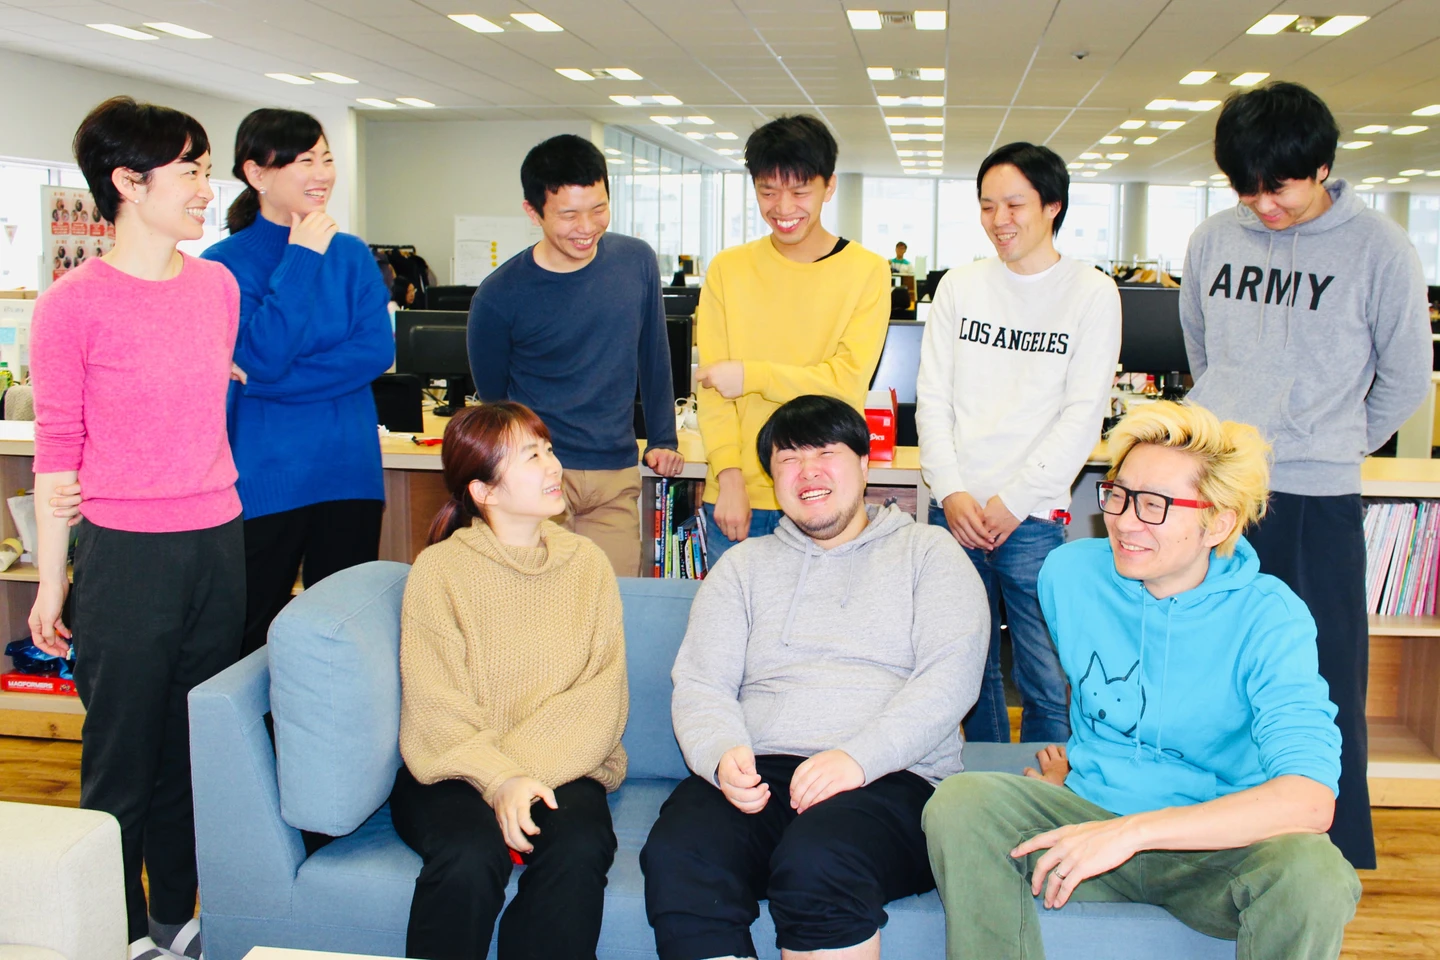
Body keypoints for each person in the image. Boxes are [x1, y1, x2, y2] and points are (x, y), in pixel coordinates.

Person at [924, 400, 1362, 960]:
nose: (1125, 521)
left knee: (1316, 875)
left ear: (1218, 522)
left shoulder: (1270, 617)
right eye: (1119, 495)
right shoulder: (1069, 575)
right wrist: (1076, 781)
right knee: (960, 803)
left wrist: (1133, 832)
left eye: (1155, 505)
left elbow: (1310, 800)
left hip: (1212, 846)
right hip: (1087, 817)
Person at [1180, 81, 1432, 869]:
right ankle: (1209, 832)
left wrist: (1335, 440)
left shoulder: (1379, 248)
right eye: (1245, 189)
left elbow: (1406, 374)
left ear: (1323, 167)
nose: (1262, 205)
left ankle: (1334, 845)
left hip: (1315, 493)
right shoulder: (1213, 239)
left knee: (1323, 673)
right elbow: (1201, 348)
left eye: (1279, 188)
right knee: (1208, 666)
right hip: (1217, 490)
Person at [641, 394, 988, 960]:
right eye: (788, 459)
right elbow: (703, 683)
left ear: (865, 464)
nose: (808, 472)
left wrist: (857, 758)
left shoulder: (929, 553)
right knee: (681, 855)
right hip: (763, 773)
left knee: (819, 863)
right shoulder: (742, 568)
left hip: (893, 777)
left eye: (825, 453)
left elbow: (950, 679)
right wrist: (722, 754)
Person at [28, 96, 244, 960]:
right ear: (127, 181)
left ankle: (173, 919)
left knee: (192, 752)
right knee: (121, 760)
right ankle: (114, 932)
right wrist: (52, 584)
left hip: (217, 542)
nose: (206, 189)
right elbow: (57, 457)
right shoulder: (71, 305)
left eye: (206, 170)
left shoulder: (218, 287)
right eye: (190, 170)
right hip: (124, 556)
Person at [391, 401, 628, 960]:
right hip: (454, 769)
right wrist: (496, 779)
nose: (553, 466)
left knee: (581, 848)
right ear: (485, 491)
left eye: (548, 450)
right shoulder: (439, 571)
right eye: (531, 456)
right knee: (469, 857)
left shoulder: (588, 564)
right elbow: (433, 706)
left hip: (565, 764)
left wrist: (518, 777)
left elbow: (602, 695)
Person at [916, 142, 1120, 744]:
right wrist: (951, 491)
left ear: (1052, 206)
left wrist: (1013, 501)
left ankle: (1038, 790)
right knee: (964, 672)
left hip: (1032, 517)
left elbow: (1082, 417)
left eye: (1014, 204)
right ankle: (983, 785)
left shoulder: (1090, 292)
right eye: (987, 205)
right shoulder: (960, 286)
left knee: (1044, 676)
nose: (998, 219)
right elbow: (933, 399)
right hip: (955, 511)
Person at [203, 108, 395, 657]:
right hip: (266, 476)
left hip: (349, 471)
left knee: (345, 637)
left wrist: (264, 385)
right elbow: (263, 354)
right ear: (257, 174)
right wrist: (302, 256)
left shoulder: (353, 255)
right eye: (304, 161)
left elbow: (374, 353)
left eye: (326, 159)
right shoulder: (222, 265)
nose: (322, 174)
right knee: (250, 633)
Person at [468, 133, 683, 578]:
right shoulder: (499, 295)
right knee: (539, 603)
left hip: (614, 471)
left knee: (616, 600)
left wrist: (663, 438)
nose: (587, 227)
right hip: (538, 476)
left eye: (598, 209)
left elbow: (654, 355)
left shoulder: (636, 261)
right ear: (534, 212)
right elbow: (494, 400)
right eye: (568, 214)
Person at [694, 115, 891, 564]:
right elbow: (712, 390)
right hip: (738, 494)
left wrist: (751, 376)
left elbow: (844, 386)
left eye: (800, 192)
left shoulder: (867, 271)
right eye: (768, 191)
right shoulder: (728, 269)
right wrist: (728, 476)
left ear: (829, 186)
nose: (783, 208)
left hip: (823, 494)